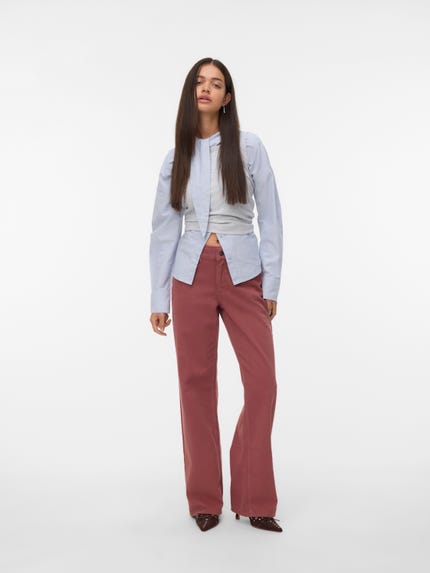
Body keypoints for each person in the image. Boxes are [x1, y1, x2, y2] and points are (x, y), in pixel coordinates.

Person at [149, 58, 284, 533]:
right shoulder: (176, 158)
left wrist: (271, 282)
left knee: (263, 384)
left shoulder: (249, 146)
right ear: (191, 92)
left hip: (245, 273)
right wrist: (159, 298)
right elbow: (164, 229)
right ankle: (205, 499)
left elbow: (271, 215)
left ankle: (255, 498)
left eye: (216, 83)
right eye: (199, 82)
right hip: (190, 275)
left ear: (227, 98)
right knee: (196, 385)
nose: (206, 89)